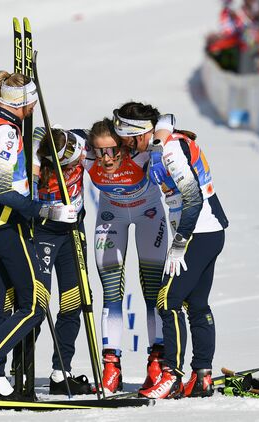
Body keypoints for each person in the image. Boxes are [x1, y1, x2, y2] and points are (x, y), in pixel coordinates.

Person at [0, 71, 78, 400]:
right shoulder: (7, 132)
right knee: (34, 306)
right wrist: (45, 210)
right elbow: (2, 190)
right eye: (32, 100)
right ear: (21, 103)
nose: (35, 105)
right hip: (8, 225)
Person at [114, 102, 229, 399]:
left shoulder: (169, 151)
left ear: (139, 133)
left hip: (197, 232)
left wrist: (179, 243)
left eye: (126, 139)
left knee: (168, 301)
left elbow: (193, 199)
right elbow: (165, 118)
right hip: (208, 232)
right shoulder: (158, 141)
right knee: (197, 304)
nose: (124, 146)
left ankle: (172, 375)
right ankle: (202, 376)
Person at [84, 113, 175, 394]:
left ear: (124, 146)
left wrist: (158, 141)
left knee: (153, 293)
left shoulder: (141, 152)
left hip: (149, 214)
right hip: (111, 216)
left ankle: (156, 362)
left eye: (112, 150)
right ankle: (111, 366)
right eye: (100, 151)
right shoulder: (87, 155)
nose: (106, 158)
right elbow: (47, 136)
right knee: (111, 294)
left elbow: (167, 120)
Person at [32, 126, 92, 395]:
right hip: (43, 232)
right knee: (35, 303)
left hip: (72, 232)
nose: (80, 158)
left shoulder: (77, 139)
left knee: (74, 300)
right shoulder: (37, 167)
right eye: (72, 159)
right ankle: (17, 369)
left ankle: (61, 373)